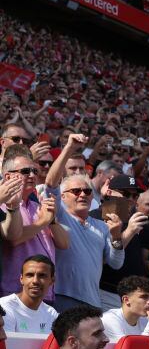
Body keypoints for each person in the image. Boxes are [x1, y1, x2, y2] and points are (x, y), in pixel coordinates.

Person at [45, 134, 126, 311]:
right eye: (76, 191)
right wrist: (69, 148)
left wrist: (116, 236)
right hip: (62, 297)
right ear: (63, 196)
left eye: (87, 192)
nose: (82, 194)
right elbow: (50, 183)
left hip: (93, 302)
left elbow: (116, 263)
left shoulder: (101, 225)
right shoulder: (60, 215)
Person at [1, 152, 68, 299]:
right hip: (15, 292)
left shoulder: (38, 205)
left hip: (45, 294)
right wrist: (43, 222)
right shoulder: (4, 205)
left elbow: (64, 243)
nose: (32, 175)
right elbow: (13, 239)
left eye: (35, 171)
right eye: (25, 171)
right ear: (8, 177)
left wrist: (52, 220)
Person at [0, 255, 59, 334]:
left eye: (42, 275)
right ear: (21, 279)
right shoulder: (4, 307)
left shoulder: (51, 314)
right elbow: (6, 345)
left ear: (52, 280)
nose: (35, 281)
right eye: (30, 275)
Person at [101, 275, 149, 340]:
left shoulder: (146, 321)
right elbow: (129, 348)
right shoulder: (109, 319)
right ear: (126, 300)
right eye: (144, 297)